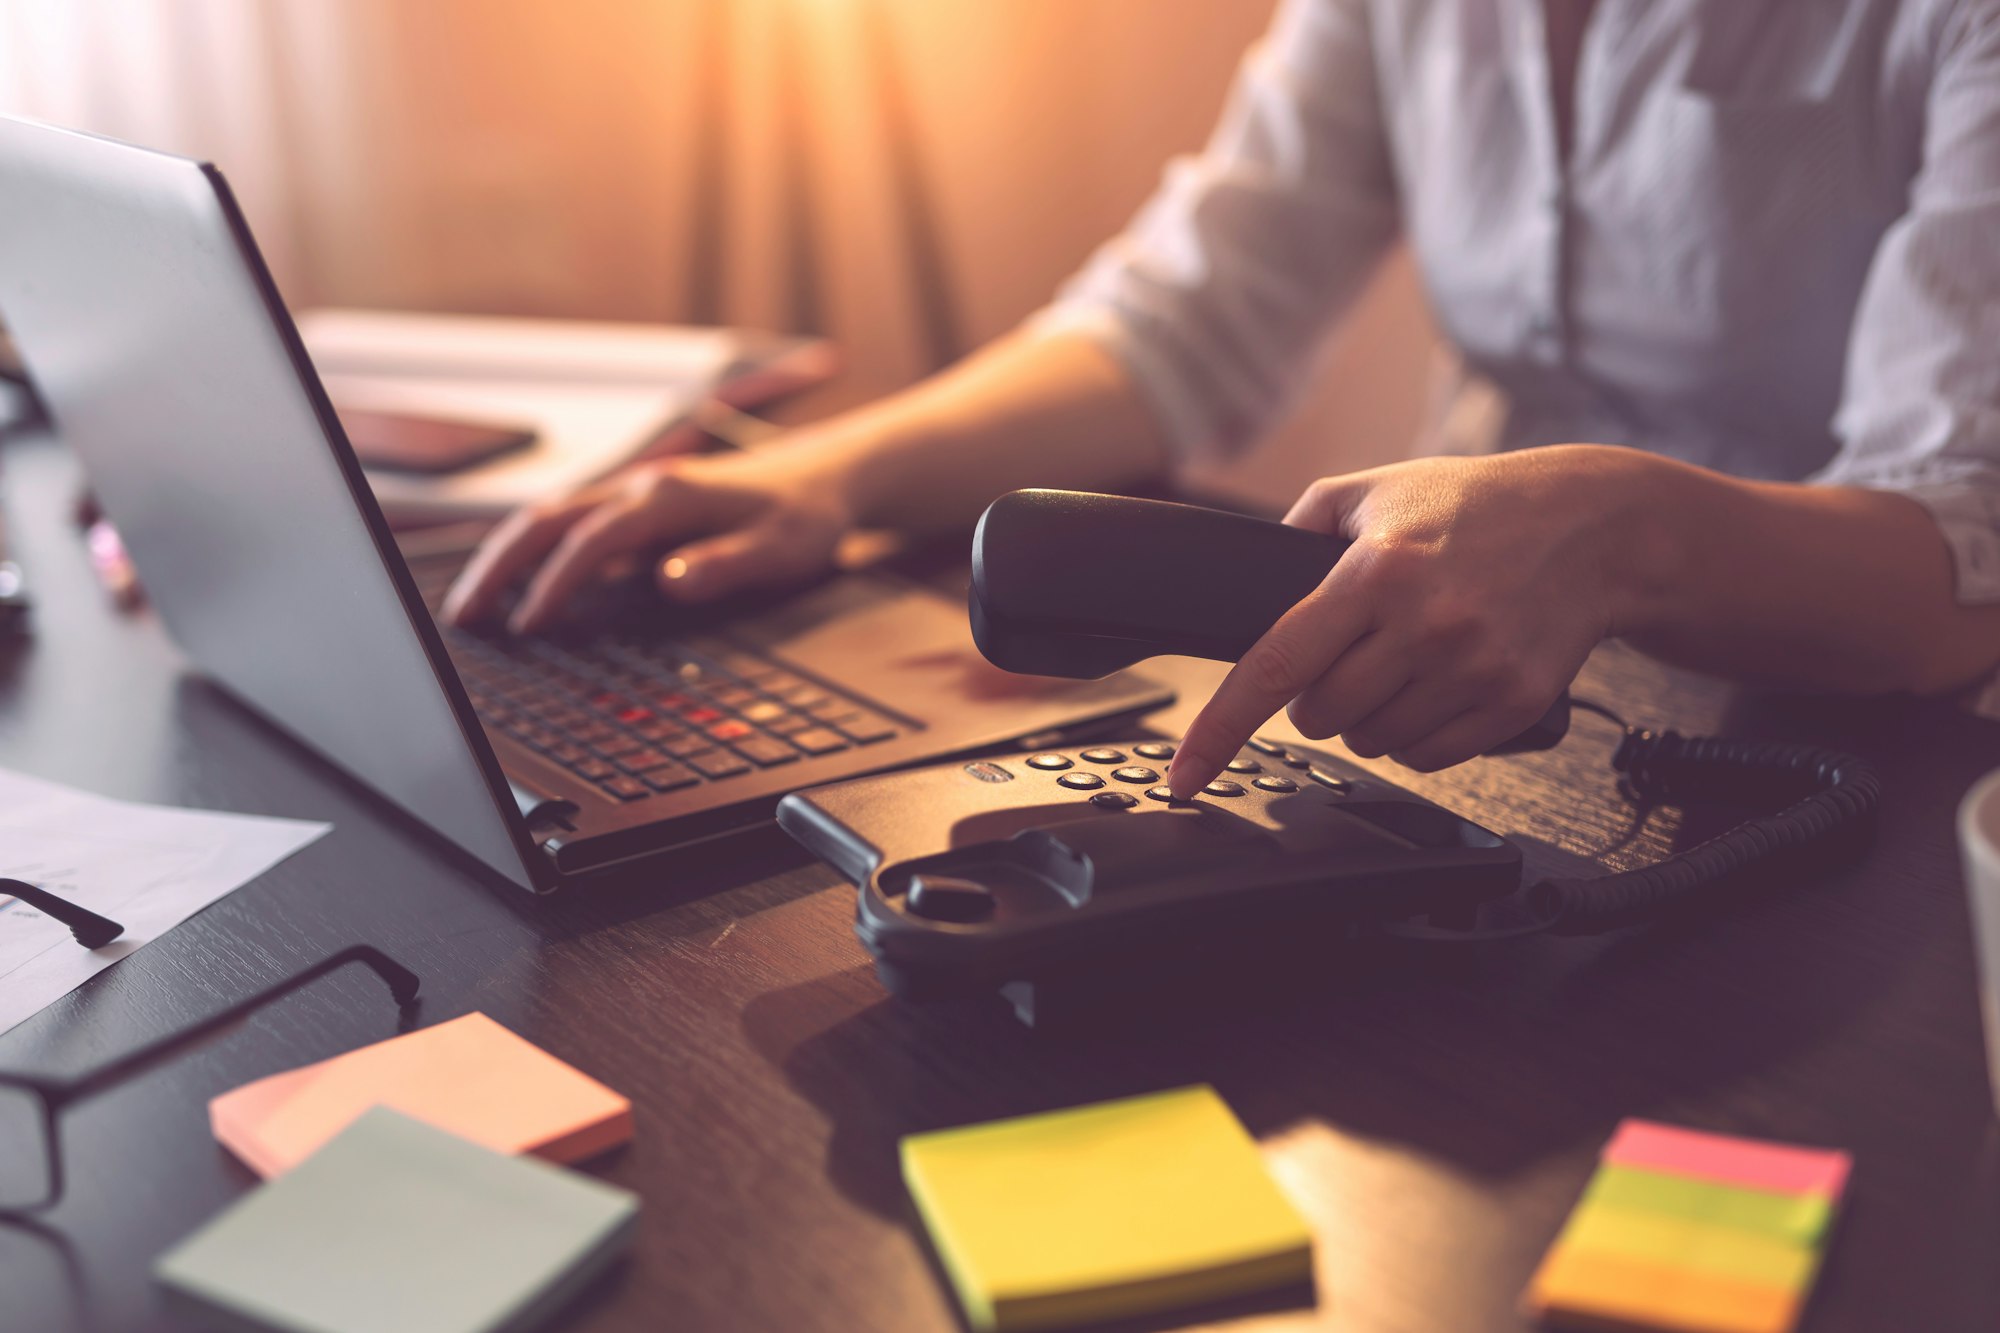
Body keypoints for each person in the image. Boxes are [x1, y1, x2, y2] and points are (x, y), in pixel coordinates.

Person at [446, 0, 2000, 800]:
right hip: (1467, 726)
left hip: (1864, 769)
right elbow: (1183, 319)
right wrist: (830, 480)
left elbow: (1960, 560)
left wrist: (1620, 532)